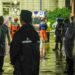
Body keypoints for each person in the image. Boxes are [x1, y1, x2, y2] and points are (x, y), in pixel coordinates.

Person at [9, 10, 40, 75]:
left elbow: (14, 50)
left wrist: (13, 61)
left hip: (21, 68)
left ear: (21, 19)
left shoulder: (19, 33)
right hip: (34, 68)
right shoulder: (35, 34)